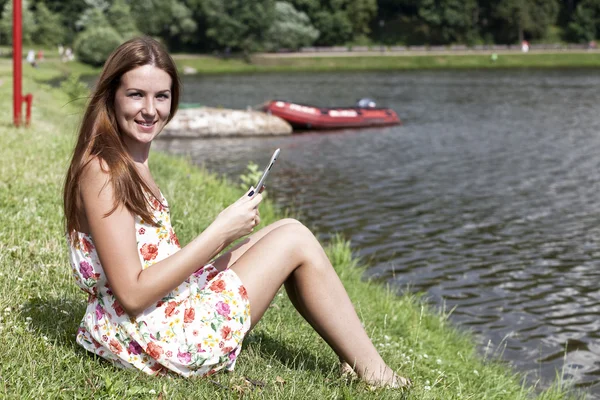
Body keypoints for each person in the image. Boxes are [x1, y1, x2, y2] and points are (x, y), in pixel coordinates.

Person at [63, 36, 411, 387]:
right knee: (295, 240)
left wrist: (226, 234)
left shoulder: (125, 156)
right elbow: (133, 294)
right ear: (112, 95)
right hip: (157, 339)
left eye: (162, 96)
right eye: (136, 94)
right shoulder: (104, 171)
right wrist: (220, 233)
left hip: (150, 317)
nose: (151, 109)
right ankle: (379, 376)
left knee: (287, 225)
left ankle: (353, 356)